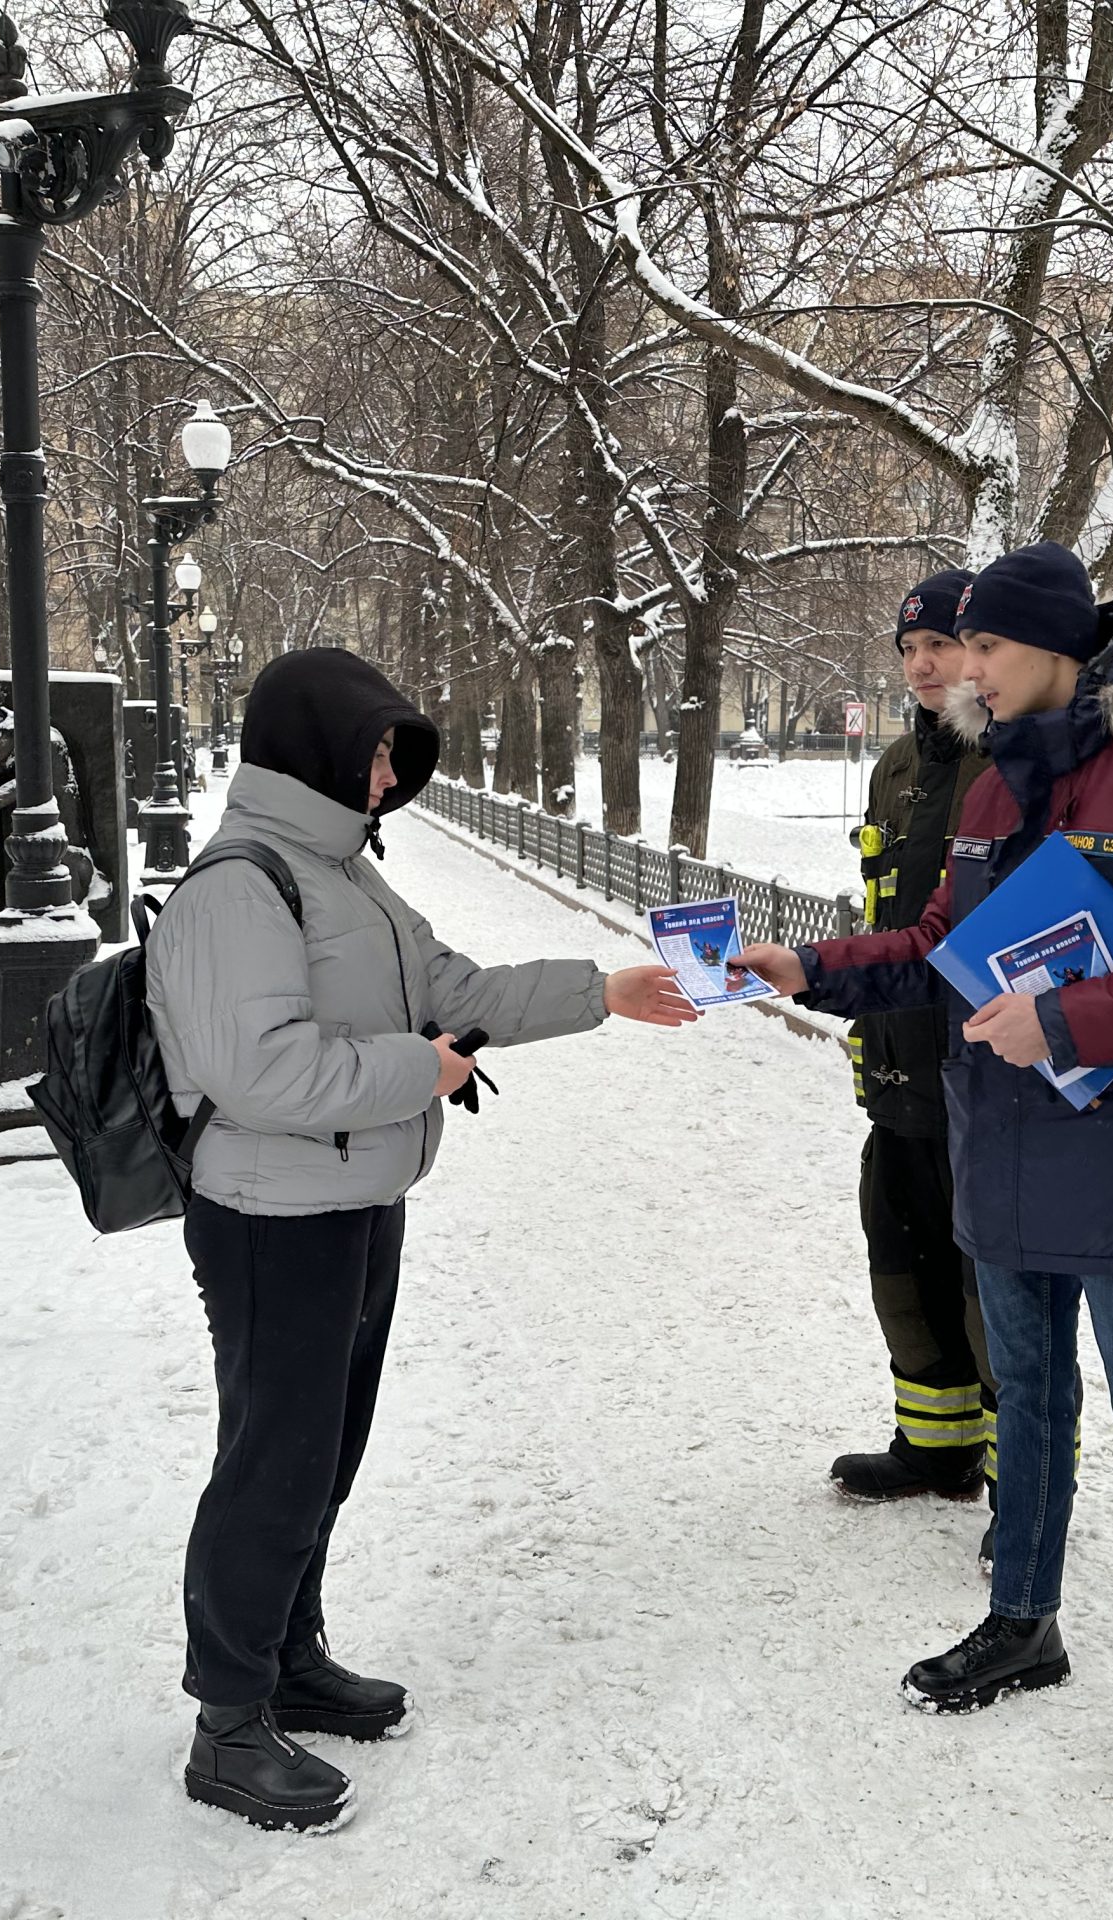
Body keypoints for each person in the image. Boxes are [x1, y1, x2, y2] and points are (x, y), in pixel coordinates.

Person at [740, 541, 1113, 1793]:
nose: (963, 668)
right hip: (1007, 1143)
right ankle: (1023, 1619)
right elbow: (943, 943)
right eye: (963, 648)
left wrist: (1074, 1024)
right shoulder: (993, 786)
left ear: (1056, 650)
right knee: (1027, 1398)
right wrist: (812, 969)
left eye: (983, 647)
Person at [146, 647, 696, 1833]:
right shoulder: (241, 886)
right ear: (320, 745)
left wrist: (602, 991)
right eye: (379, 749)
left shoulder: (346, 876)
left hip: (351, 1198)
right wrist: (419, 1071)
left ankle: (290, 1655)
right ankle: (228, 1722)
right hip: (265, 1216)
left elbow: (451, 984)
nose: (393, 773)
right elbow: (256, 1069)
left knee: (323, 1449)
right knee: (271, 1458)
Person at [828, 568, 1004, 1552]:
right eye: (909, 648)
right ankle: (936, 1446)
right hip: (898, 1065)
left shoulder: (1017, 763)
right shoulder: (896, 767)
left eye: (941, 643)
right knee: (904, 1260)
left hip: (983, 1070)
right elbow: (883, 915)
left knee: (996, 1293)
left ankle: (1022, 1481)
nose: (925, 663)